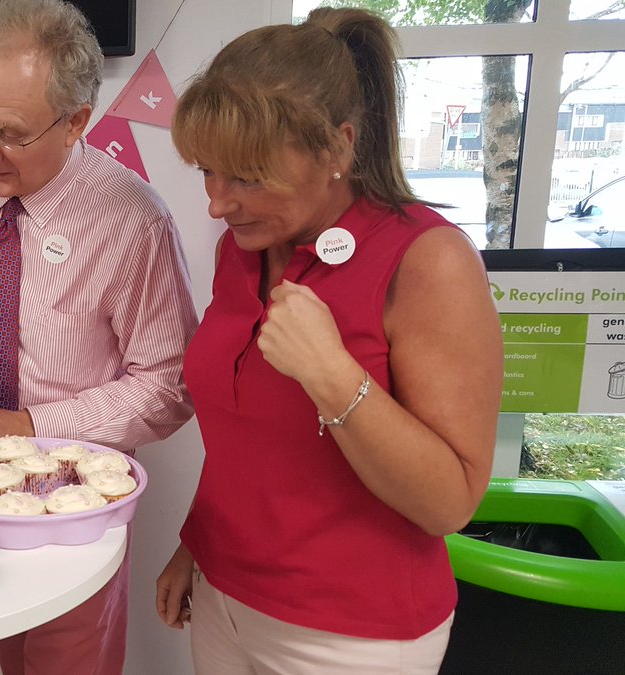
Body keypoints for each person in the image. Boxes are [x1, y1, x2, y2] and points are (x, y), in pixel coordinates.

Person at [153, 8, 504, 674]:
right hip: (226, 596)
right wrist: (195, 545)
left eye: (248, 177)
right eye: (208, 171)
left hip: (351, 634)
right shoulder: (244, 247)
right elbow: (245, 435)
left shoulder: (429, 261)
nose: (217, 203)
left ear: (339, 148)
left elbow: (450, 501)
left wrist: (333, 374)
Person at [0, 1, 197, 673]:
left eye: (9, 133)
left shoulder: (134, 219)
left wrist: (24, 423)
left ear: (76, 121)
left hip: (76, 500)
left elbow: (170, 382)